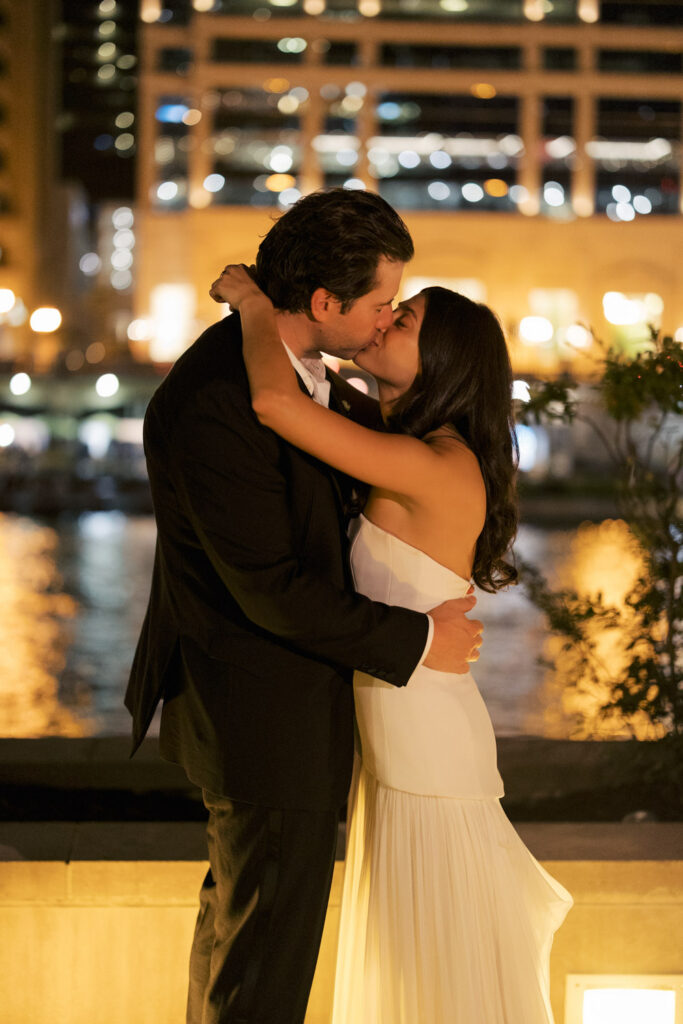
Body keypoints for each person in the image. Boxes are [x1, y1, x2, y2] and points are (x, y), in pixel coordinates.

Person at [125, 188, 483, 1024]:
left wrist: (252, 302)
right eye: (381, 303)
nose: (386, 319)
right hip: (263, 715)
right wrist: (415, 636)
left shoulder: (321, 386)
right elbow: (268, 585)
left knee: (244, 941)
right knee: (260, 968)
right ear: (323, 303)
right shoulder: (220, 399)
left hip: (285, 712)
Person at [211, 263, 573, 1024]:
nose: (381, 323)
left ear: (439, 363)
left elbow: (276, 402)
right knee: (416, 965)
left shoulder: (433, 463)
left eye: (401, 321)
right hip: (400, 741)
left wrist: (251, 304)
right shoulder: (408, 445)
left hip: (425, 750)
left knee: (433, 969)